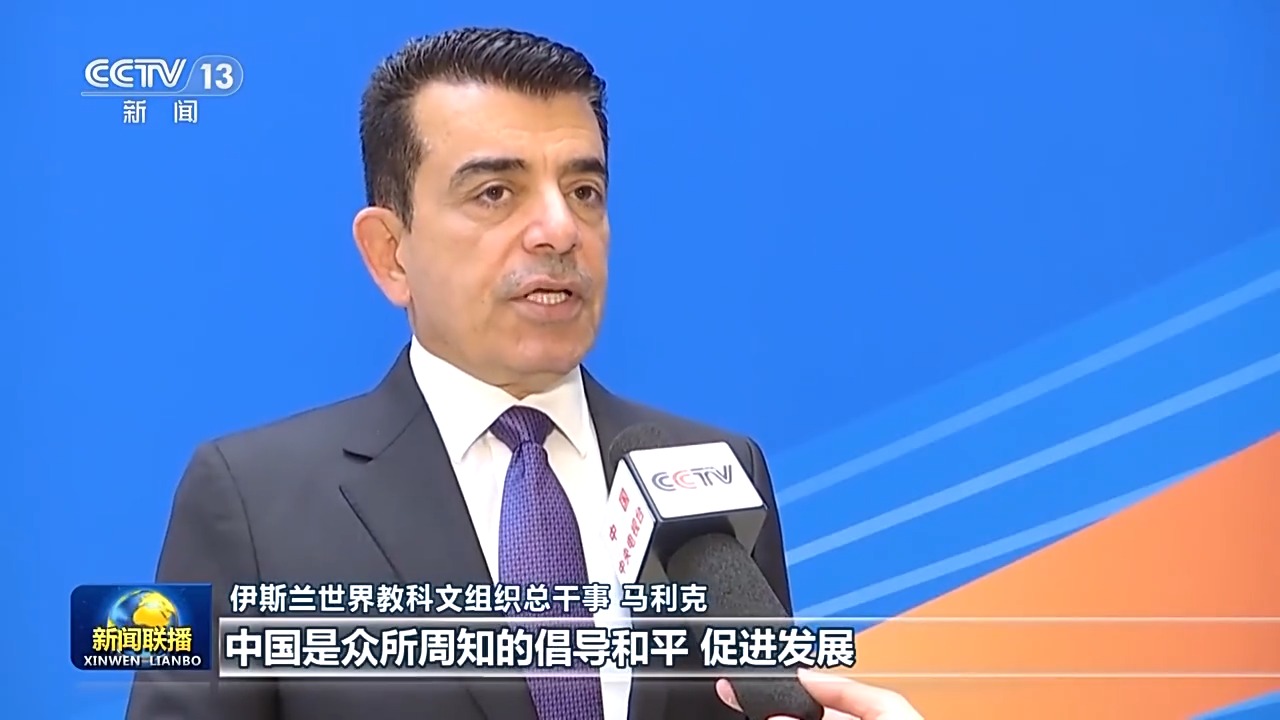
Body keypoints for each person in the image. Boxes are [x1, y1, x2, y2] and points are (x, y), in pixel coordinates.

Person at [126, 27, 922, 720]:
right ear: (390, 253)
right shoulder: (250, 501)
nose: (559, 229)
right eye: (496, 192)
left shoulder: (711, 472)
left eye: (584, 190)